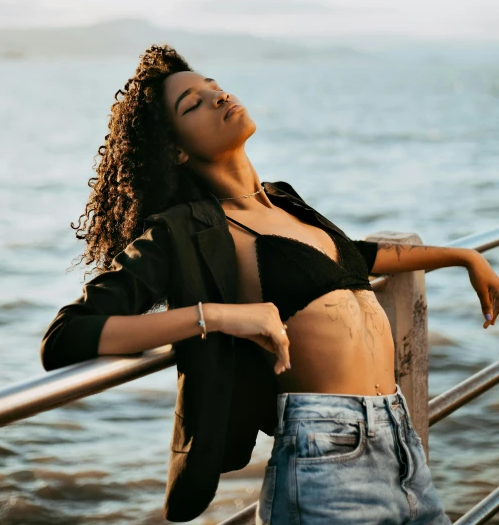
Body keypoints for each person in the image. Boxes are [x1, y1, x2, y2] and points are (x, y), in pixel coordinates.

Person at [40, 44, 498, 524]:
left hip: (401, 443)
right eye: (193, 103)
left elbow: (356, 257)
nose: (217, 97)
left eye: (212, 86)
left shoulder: (283, 201)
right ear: (175, 150)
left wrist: (462, 256)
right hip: (327, 460)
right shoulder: (185, 229)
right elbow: (65, 337)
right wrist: (219, 317)